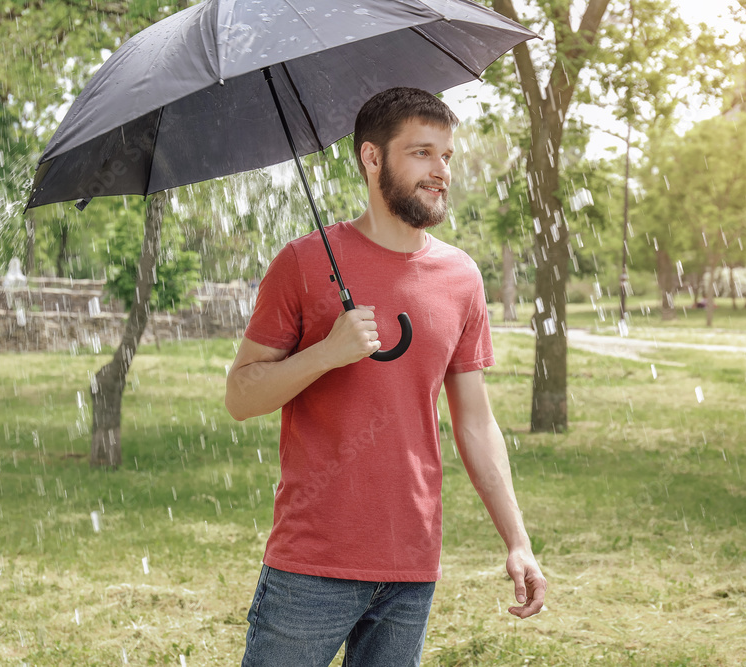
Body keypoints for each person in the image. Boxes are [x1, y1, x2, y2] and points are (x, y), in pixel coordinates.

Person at [225, 87, 546, 667]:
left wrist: (517, 540)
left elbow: (475, 423)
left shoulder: (461, 277)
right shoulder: (301, 263)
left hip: (411, 565)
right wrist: (325, 353)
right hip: (311, 565)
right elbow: (241, 396)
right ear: (372, 159)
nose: (441, 171)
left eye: (447, 155)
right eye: (422, 153)